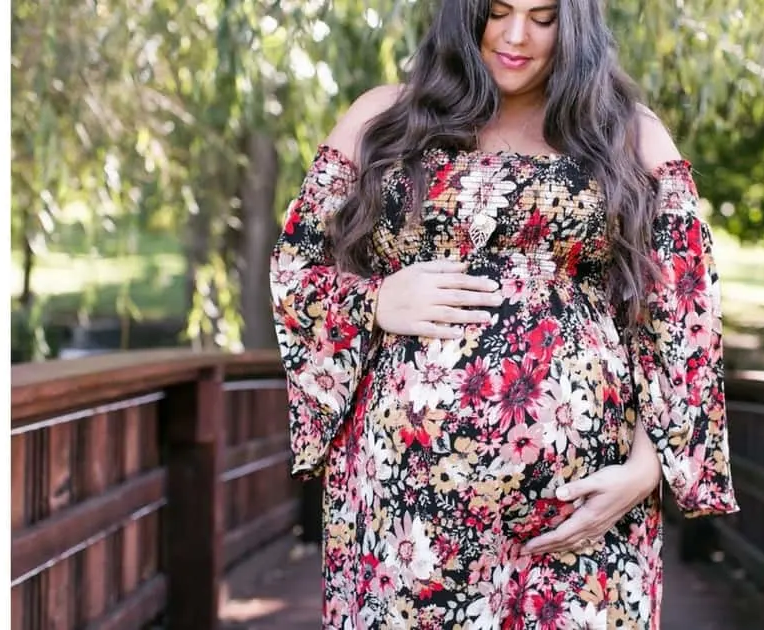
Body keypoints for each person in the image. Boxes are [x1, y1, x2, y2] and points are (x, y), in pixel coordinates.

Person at [269, 0, 739, 626]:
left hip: (580, 513)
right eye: (497, 11)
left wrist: (647, 468)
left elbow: (683, 303)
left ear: (574, 23)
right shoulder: (383, 118)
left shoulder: (625, 129)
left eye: (543, 17)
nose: (516, 36)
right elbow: (296, 271)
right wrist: (374, 301)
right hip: (409, 506)